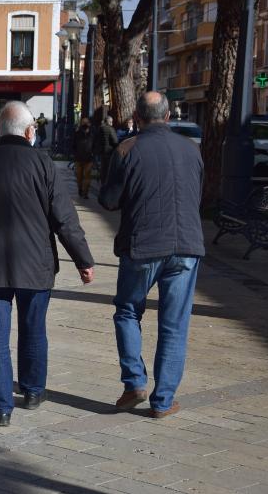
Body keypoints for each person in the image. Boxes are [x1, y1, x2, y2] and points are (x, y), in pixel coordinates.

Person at [0, 101, 94, 427]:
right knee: (33, 329)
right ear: (29, 131)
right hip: (36, 268)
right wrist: (84, 261)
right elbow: (65, 220)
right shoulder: (43, 164)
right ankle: (33, 391)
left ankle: (1, 408)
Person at [99, 92, 204, 419]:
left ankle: (134, 383)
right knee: (175, 323)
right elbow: (196, 195)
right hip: (187, 245)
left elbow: (108, 201)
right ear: (168, 115)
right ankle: (163, 400)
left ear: (137, 118)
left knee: (128, 310)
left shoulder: (127, 149)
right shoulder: (192, 149)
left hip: (143, 245)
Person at [73, 118, 95, 199]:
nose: (85, 124)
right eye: (83, 123)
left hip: (88, 158)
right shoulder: (77, 133)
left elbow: (95, 144)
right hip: (79, 158)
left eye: (86, 123)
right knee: (79, 176)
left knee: (87, 176)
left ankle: (85, 192)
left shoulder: (92, 134)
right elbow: (73, 144)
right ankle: (80, 189)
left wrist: (93, 153)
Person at [97, 116, 119, 184]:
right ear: (110, 122)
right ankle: (107, 185)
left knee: (103, 169)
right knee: (109, 170)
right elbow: (115, 141)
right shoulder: (110, 129)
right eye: (111, 121)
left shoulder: (100, 129)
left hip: (102, 151)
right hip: (110, 152)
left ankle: (102, 184)